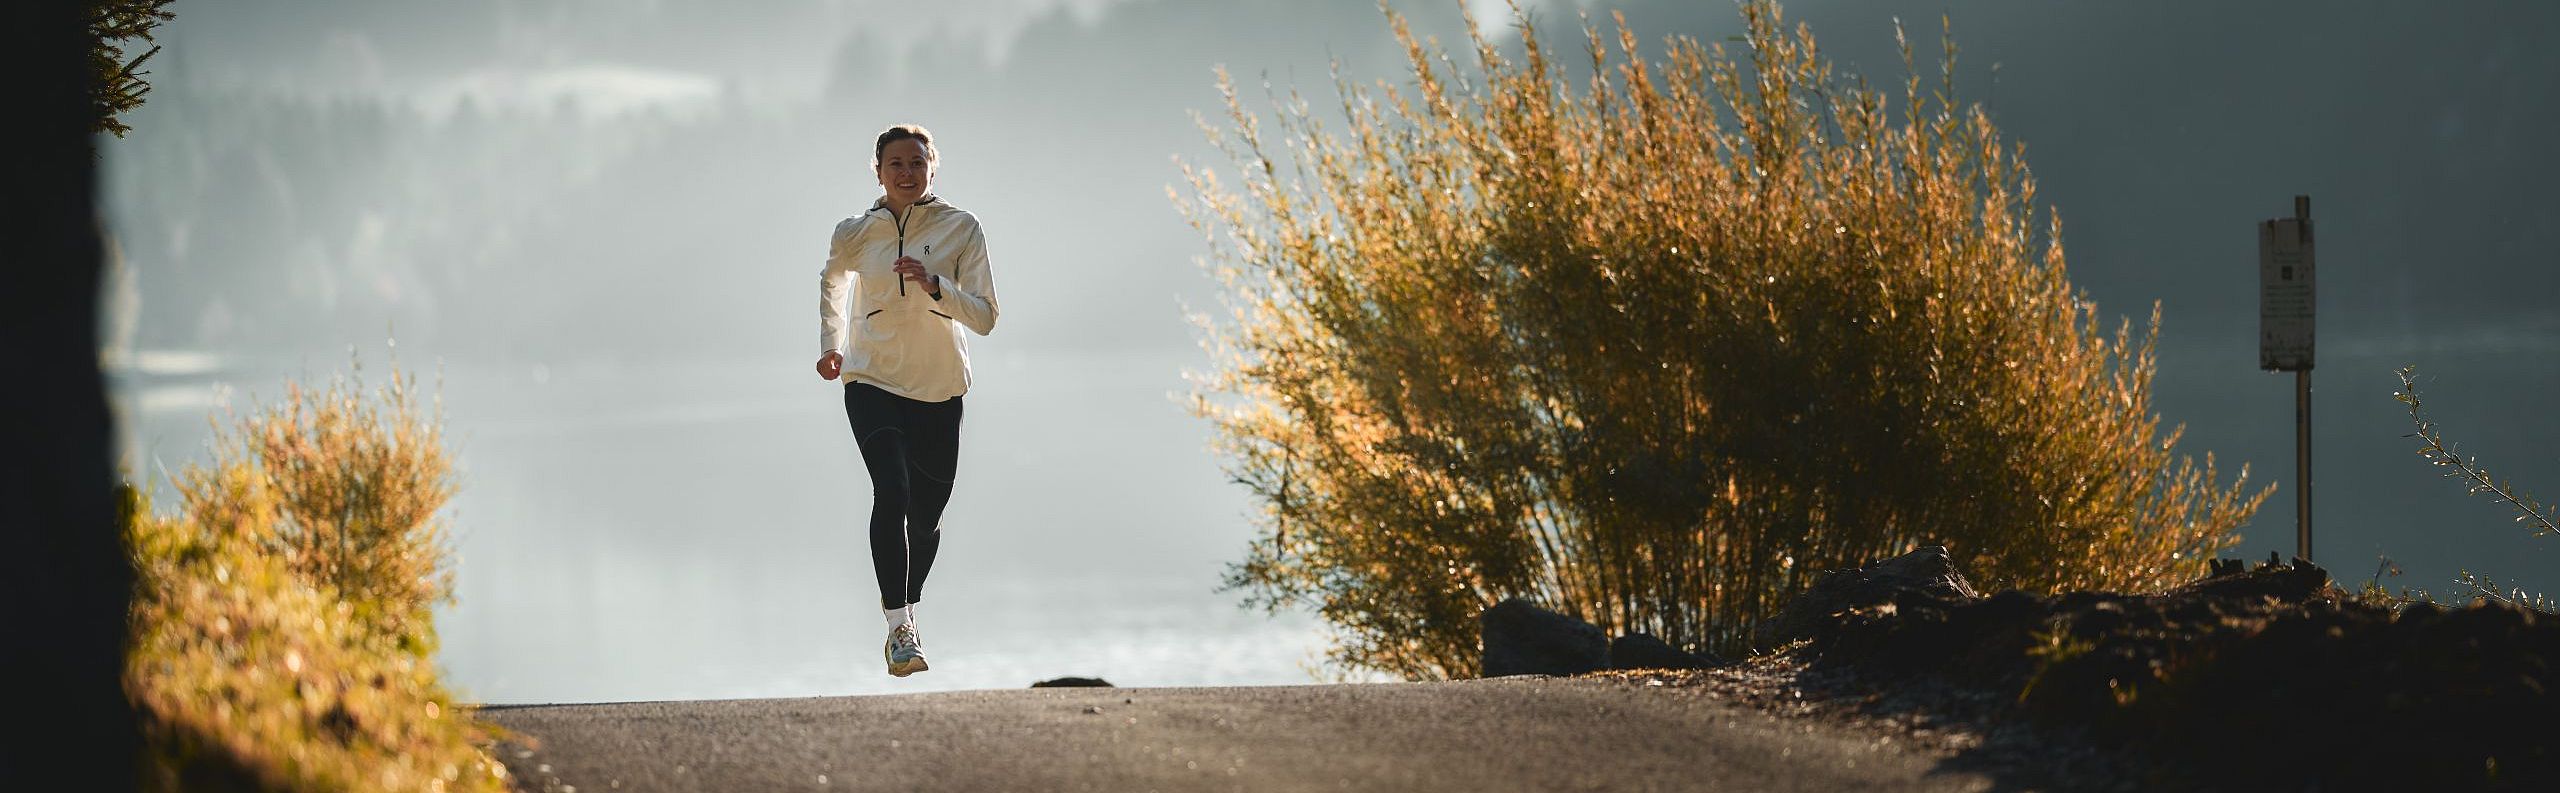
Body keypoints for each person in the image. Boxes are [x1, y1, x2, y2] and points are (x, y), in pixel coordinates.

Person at [816, 123, 999, 677]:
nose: (906, 172)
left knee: (925, 517)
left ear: (932, 169)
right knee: (890, 488)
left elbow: (987, 318)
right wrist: (832, 346)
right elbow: (831, 281)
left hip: (939, 385)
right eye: (895, 163)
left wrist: (935, 285)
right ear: (877, 171)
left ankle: (909, 601)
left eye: (916, 163)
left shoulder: (961, 229)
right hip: (869, 376)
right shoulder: (856, 233)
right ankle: (899, 627)